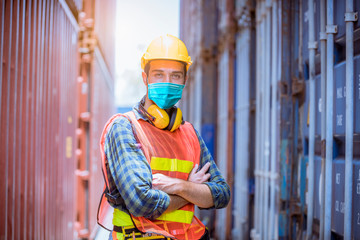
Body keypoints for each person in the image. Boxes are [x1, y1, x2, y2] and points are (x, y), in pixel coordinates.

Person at [98, 34, 230, 240]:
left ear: (185, 80)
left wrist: (178, 185)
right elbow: (142, 203)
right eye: (159, 74)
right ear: (145, 78)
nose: (167, 82)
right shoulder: (125, 127)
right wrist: (193, 191)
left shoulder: (190, 133)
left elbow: (221, 195)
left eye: (175, 76)